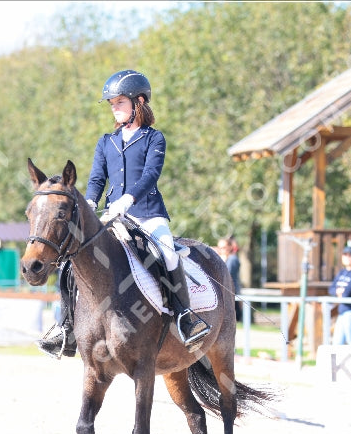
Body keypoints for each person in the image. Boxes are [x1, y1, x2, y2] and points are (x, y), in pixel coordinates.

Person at [37, 69, 210, 358]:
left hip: (147, 214)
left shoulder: (154, 138)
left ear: (138, 102)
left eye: (119, 102)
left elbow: (151, 174)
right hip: (112, 216)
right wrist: (91, 203)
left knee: (167, 252)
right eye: (112, 104)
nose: (114, 108)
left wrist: (128, 199)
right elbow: (95, 179)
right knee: (71, 260)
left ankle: (185, 318)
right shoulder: (106, 141)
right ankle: (65, 328)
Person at [217, 236, 242, 322]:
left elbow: (226, 275)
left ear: (230, 247)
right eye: (219, 248)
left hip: (231, 294)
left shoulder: (232, 259)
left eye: (223, 247)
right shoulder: (224, 259)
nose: (221, 250)